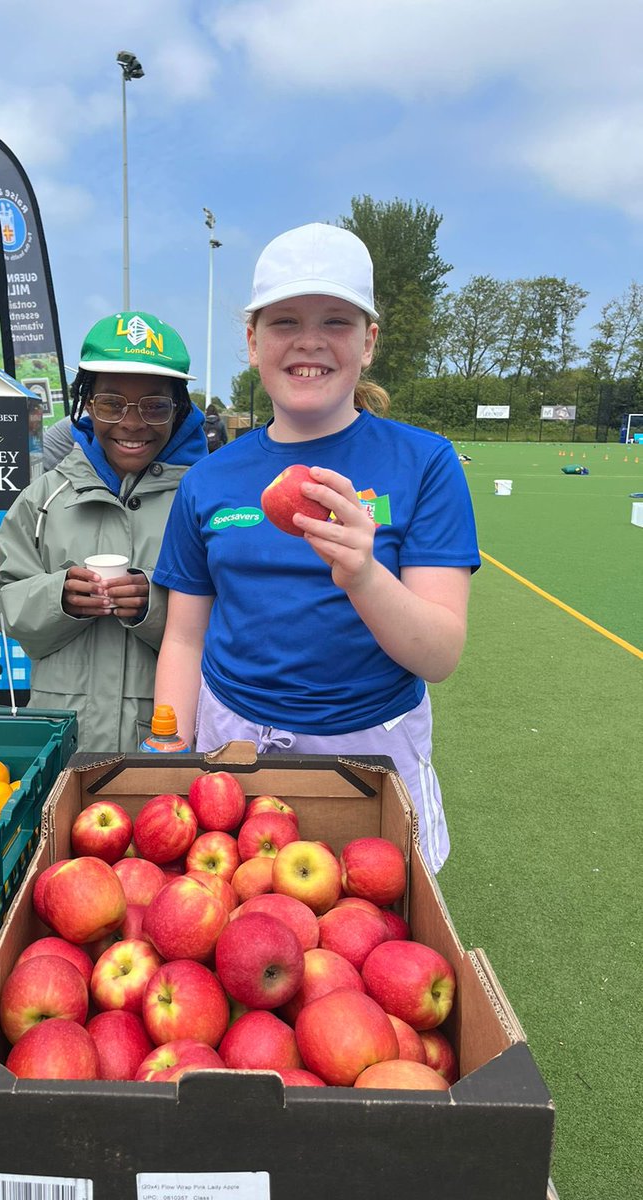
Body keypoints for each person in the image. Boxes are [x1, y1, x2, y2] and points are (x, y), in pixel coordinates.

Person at [153, 224, 480, 871]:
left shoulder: (425, 463)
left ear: (369, 341)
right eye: (284, 322)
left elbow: (439, 653)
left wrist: (363, 575)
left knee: (374, 931)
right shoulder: (209, 479)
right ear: (252, 341)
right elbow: (185, 638)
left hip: (372, 754)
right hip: (232, 745)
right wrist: (167, 751)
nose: (309, 341)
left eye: (336, 320)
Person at [0, 310, 207, 752]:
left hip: (169, 738)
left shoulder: (203, 500)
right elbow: (3, 605)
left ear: (179, 409)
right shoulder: (43, 499)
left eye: (155, 406)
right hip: (63, 734)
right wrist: (57, 597)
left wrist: (155, 605)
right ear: (86, 404)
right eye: (111, 404)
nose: (131, 423)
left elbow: (232, 619)